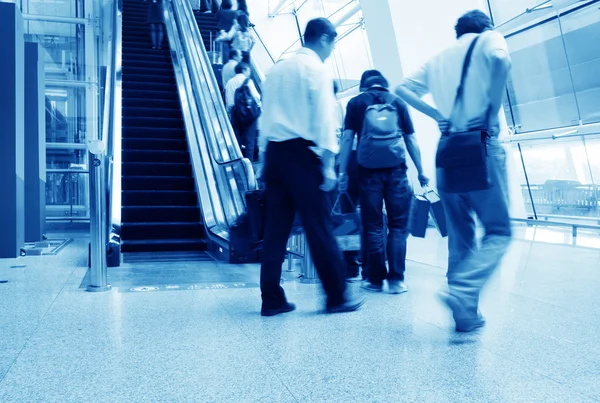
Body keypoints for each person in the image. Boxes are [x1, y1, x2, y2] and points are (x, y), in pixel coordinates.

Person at [395, 10, 513, 332]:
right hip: (480, 146)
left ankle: (465, 315)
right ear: (485, 27)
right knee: (499, 231)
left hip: (447, 150)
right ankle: (461, 291)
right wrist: (490, 112)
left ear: (457, 33)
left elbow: (401, 89)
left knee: (460, 237)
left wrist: (436, 114)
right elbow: (501, 62)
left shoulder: (438, 59)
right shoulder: (490, 38)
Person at [257, 18, 364, 316]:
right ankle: (336, 297)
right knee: (318, 226)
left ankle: (271, 299)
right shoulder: (315, 68)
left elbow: (265, 121)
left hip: (276, 156)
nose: (332, 50)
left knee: (275, 231)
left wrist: (264, 163)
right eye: (333, 43)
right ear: (325, 39)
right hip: (303, 155)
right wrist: (329, 166)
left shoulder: (275, 71)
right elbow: (323, 119)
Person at [338, 71, 428, 294]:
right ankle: (397, 280)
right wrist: (421, 171)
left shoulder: (356, 103)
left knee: (374, 225)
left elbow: (347, 138)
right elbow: (411, 139)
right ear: (385, 85)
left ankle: (375, 279)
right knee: (398, 226)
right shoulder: (397, 102)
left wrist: (342, 171)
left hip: (367, 172)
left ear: (363, 86)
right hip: (396, 170)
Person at [226, 62, 261, 160]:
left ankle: (237, 164)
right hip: (248, 113)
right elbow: (256, 97)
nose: (249, 72)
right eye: (249, 70)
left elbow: (228, 102)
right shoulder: (248, 81)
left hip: (235, 113)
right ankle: (248, 167)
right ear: (244, 69)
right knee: (250, 142)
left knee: (236, 141)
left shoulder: (230, 82)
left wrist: (230, 115)